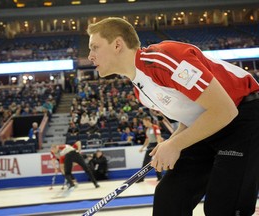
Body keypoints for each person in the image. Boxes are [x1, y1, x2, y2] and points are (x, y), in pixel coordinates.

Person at [87, 17, 259, 216]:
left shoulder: (164, 59)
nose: (90, 55)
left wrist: (175, 145)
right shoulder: (141, 93)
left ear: (117, 44)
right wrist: (172, 142)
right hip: (212, 125)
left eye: (95, 47)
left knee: (223, 207)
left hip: (243, 118)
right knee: (169, 197)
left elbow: (225, 110)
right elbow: (193, 115)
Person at [137, 116, 163, 182]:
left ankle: (160, 177)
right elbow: (147, 140)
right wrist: (142, 148)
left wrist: (158, 146)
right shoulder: (147, 129)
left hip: (156, 145)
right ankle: (141, 179)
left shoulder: (155, 127)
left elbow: (158, 137)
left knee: (156, 162)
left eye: (144, 122)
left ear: (148, 120)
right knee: (145, 162)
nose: (143, 123)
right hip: (150, 146)